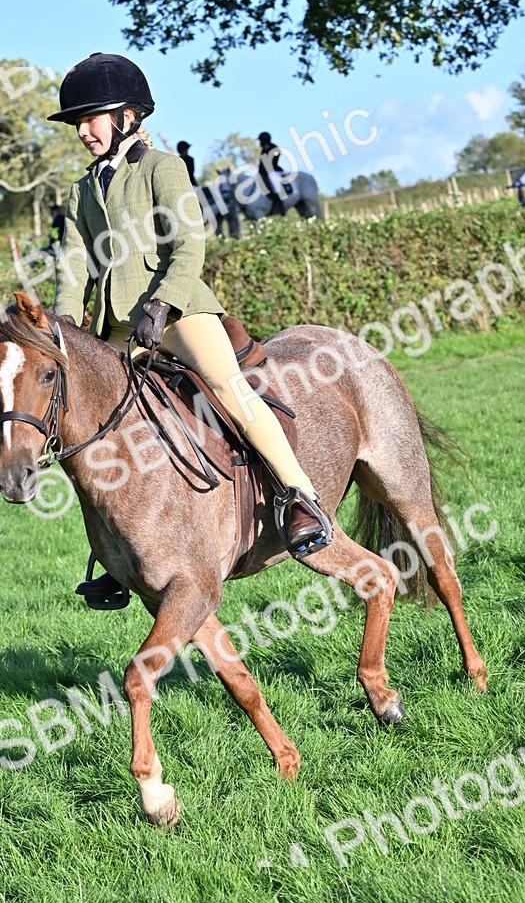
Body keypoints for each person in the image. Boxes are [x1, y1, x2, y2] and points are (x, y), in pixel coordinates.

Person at [50, 53, 331, 606]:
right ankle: (114, 552)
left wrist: (162, 305)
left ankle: (300, 496)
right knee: (96, 431)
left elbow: (189, 246)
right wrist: (62, 327)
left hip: (176, 314)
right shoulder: (81, 192)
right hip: (113, 331)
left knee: (229, 389)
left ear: (128, 115)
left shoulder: (161, 169)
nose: (83, 132)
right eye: (77, 123)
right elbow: (71, 267)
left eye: (92, 118)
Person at [257, 131, 287, 216]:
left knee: (275, 185)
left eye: (261, 140)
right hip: (265, 173)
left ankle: (281, 207)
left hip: (274, 171)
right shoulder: (263, 150)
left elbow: (275, 158)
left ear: (265, 140)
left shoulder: (274, 148)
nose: (260, 143)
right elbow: (261, 163)